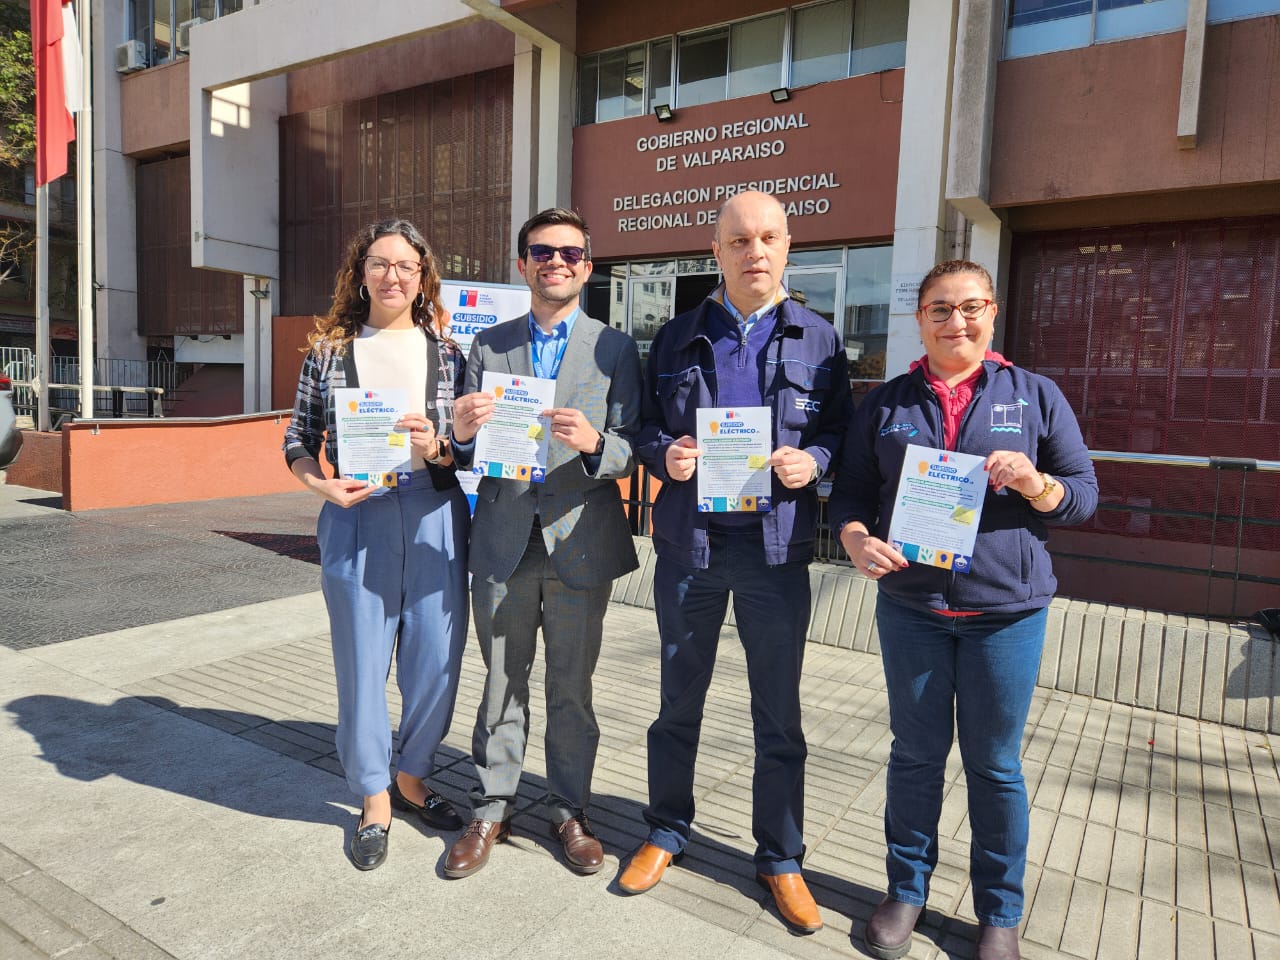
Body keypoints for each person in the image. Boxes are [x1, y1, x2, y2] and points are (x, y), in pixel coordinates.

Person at [827, 260, 1098, 960]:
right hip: (912, 609)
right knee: (915, 755)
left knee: (994, 766)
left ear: (993, 313)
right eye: (941, 309)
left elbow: (1084, 493)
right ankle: (906, 891)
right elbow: (853, 494)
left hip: (1005, 614)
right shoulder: (887, 402)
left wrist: (1038, 485)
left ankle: (999, 912)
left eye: (971, 307)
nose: (957, 321)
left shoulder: (1034, 395)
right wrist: (855, 540)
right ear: (920, 319)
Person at [619, 190, 852, 934]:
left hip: (774, 552)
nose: (756, 252)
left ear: (788, 247)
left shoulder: (820, 339)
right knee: (677, 702)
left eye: (769, 238)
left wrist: (811, 461)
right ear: (714, 251)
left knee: (778, 712)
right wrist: (666, 455)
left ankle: (780, 857)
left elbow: (841, 432)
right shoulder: (677, 335)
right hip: (691, 546)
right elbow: (644, 427)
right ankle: (664, 831)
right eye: (739, 240)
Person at [443, 207, 642, 878]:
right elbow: (463, 449)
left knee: (570, 688)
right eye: (541, 251)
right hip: (502, 538)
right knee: (502, 683)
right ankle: (491, 807)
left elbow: (633, 445)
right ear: (523, 263)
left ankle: (568, 809)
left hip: (579, 542)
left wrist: (596, 445)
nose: (555, 261)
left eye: (569, 252)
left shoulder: (616, 348)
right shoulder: (488, 346)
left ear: (587, 266)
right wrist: (464, 430)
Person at [282, 219, 470, 871]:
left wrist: (437, 447)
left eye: (407, 266)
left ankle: (413, 778)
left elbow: (463, 453)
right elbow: (296, 441)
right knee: (363, 667)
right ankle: (374, 797)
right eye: (381, 263)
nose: (394, 275)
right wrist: (323, 487)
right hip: (357, 515)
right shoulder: (330, 352)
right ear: (360, 274)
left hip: (434, 513)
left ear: (423, 279)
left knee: (434, 661)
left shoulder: (448, 355)